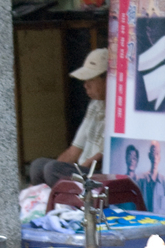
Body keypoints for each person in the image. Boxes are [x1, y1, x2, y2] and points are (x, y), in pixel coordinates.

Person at [28, 48, 108, 188]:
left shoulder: (118, 112)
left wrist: (73, 173)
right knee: (38, 166)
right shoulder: (95, 106)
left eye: (91, 80)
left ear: (107, 80)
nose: (85, 85)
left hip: (98, 174)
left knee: (53, 170)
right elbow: (73, 151)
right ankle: (43, 197)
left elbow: (99, 158)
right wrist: (61, 169)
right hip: (82, 170)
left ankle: (59, 195)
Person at [139, 140, 165, 215]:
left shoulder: (164, 182)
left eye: (157, 153)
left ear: (160, 157)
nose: (155, 157)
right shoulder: (141, 180)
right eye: (153, 153)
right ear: (149, 155)